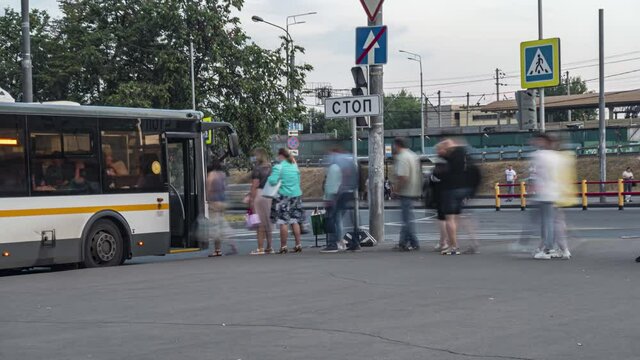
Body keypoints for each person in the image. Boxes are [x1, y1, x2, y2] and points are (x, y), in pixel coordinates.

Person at [530, 134, 570, 260]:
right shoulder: (558, 156)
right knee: (555, 222)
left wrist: (533, 186)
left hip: (545, 193)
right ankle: (561, 249)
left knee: (547, 223)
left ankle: (547, 249)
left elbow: (535, 174)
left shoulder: (539, 155)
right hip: (556, 192)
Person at [321, 148, 359, 253]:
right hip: (349, 192)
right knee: (347, 220)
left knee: (333, 218)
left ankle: (334, 243)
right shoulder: (349, 160)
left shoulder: (336, 165)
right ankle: (354, 242)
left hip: (339, 193)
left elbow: (333, 183)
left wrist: (331, 197)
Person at [267, 148, 304, 254]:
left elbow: (273, 181)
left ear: (281, 156)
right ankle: (298, 244)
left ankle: (283, 246)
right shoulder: (294, 166)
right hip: (296, 195)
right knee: (295, 220)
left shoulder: (278, 167)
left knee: (283, 222)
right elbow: (298, 179)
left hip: (284, 196)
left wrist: (270, 178)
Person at [393, 138, 422, 251]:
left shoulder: (402, 157)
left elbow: (402, 176)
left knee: (406, 219)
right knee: (407, 217)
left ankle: (413, 242)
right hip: (413, 189)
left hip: (406, 191)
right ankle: (403, 242)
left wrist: (396, 190)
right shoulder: (412, 155)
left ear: (397, 145)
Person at [206, 159, 235, 257]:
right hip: (222, 201)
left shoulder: (211, 175)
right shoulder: (222, 175)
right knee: (222, 225)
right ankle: (231, 245)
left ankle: (217, 250)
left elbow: (209, 189)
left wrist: (208, 201)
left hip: (214, 202)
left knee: (216, 227)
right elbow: (225, 187)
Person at [249, 148, 273, 255]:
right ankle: (269, 247)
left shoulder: (257, 169)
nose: (254, 158)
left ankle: (260, 248)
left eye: (255, 155)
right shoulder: (270, 168)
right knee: (268, 222)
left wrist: (251, 199)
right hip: (269, 195)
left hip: (259, 195)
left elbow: (255, 185)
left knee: (260, 223)